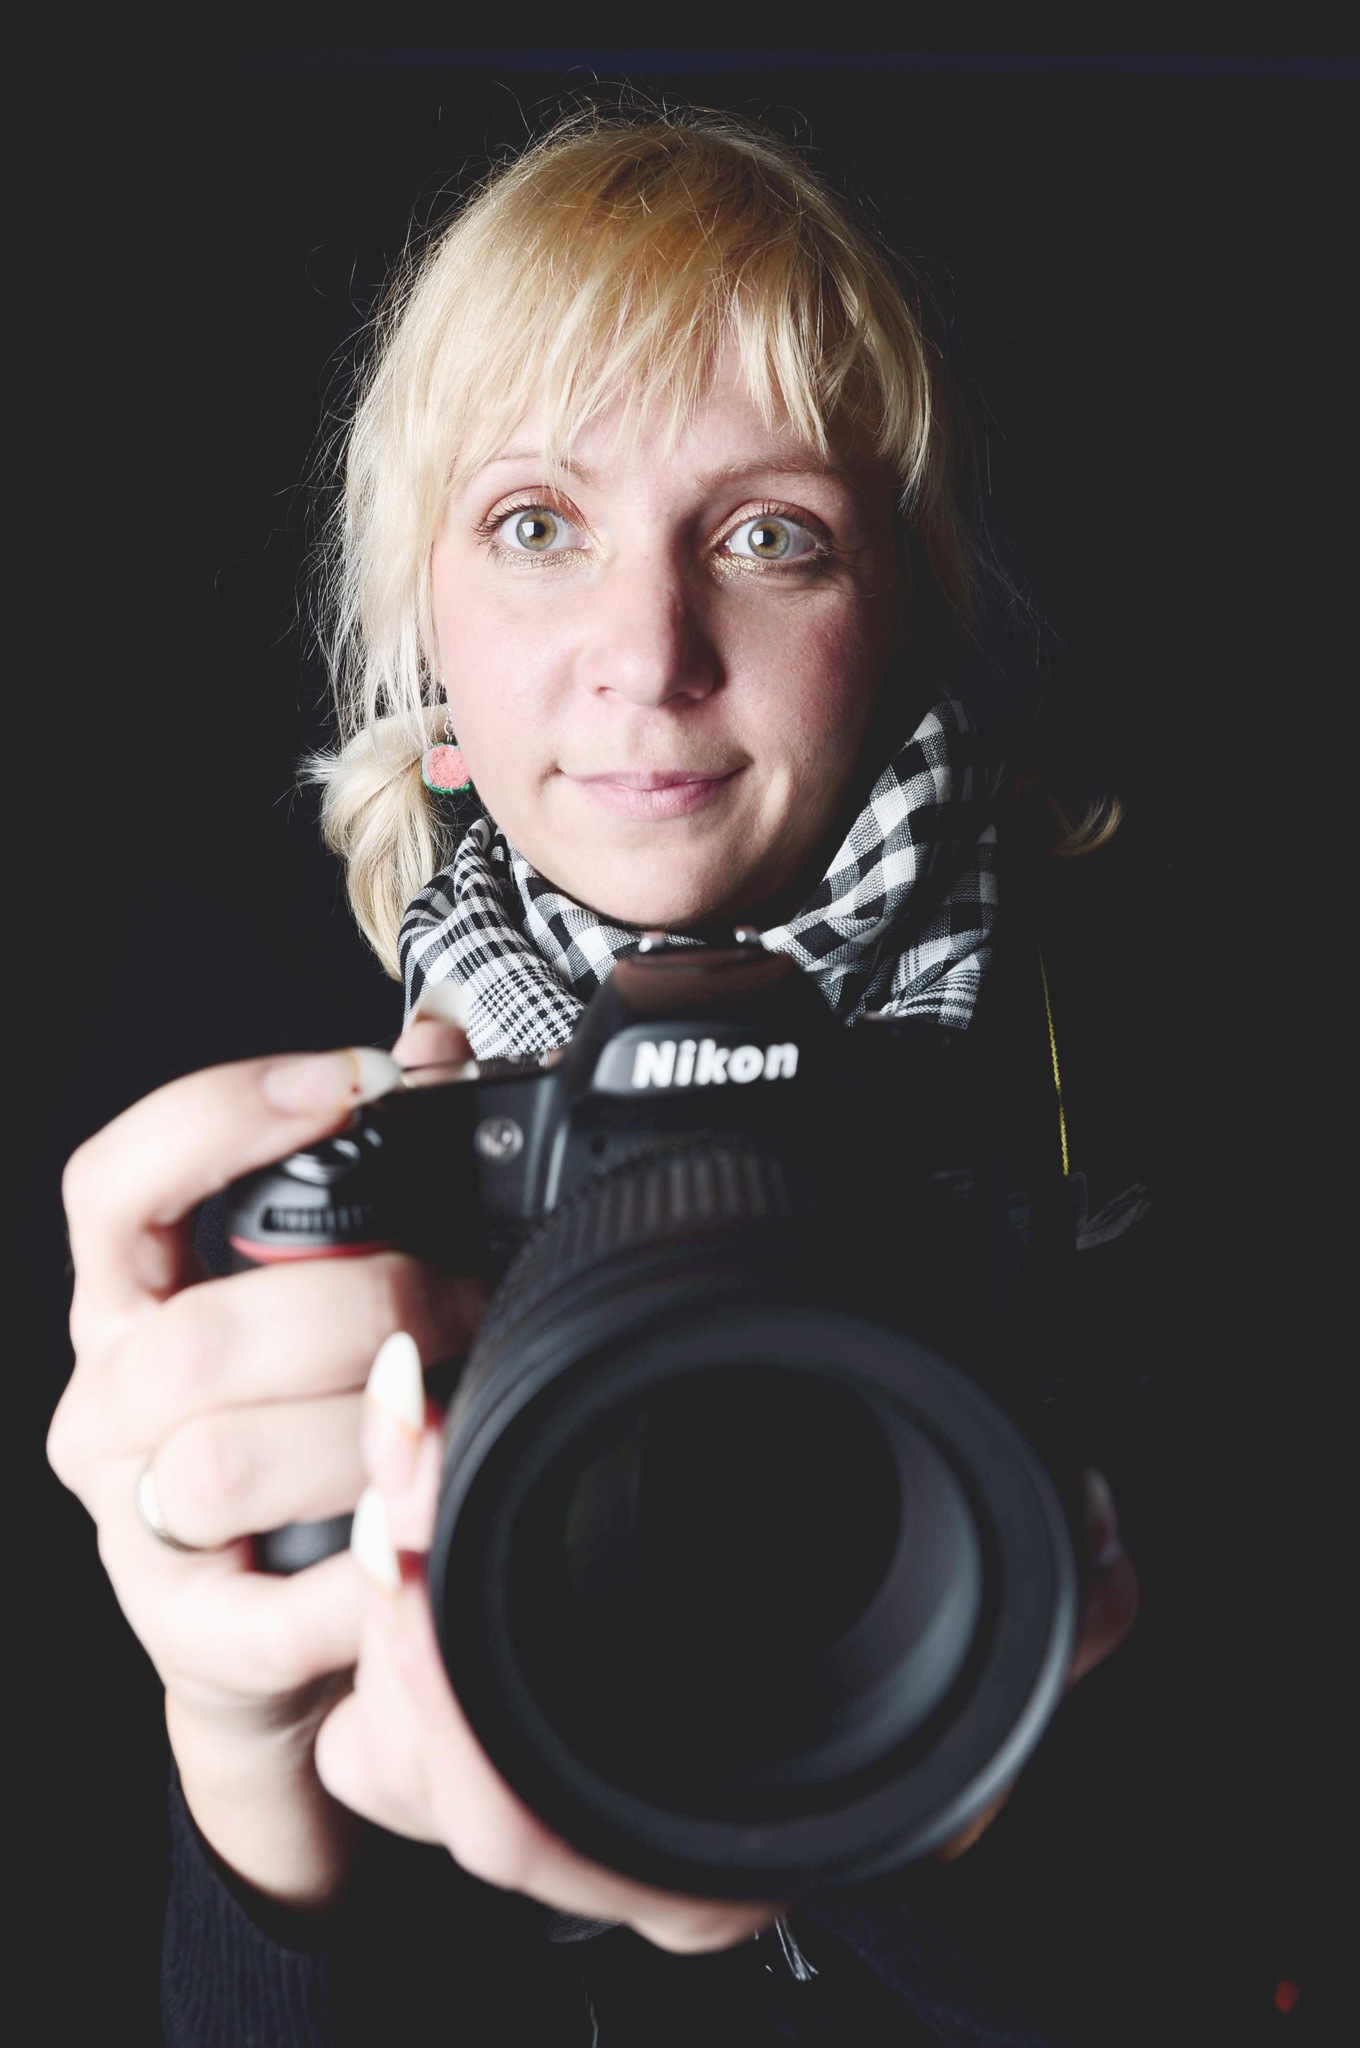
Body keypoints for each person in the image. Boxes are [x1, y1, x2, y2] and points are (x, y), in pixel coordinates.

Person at [49, 109, 1152, 2045]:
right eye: (536, 525)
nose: (648, 654)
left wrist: (943, 1788)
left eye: (767, 535)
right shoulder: (350, 1153)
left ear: (893, 616)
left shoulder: (1139, 1092)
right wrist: (249, 1766)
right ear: (426, 641)